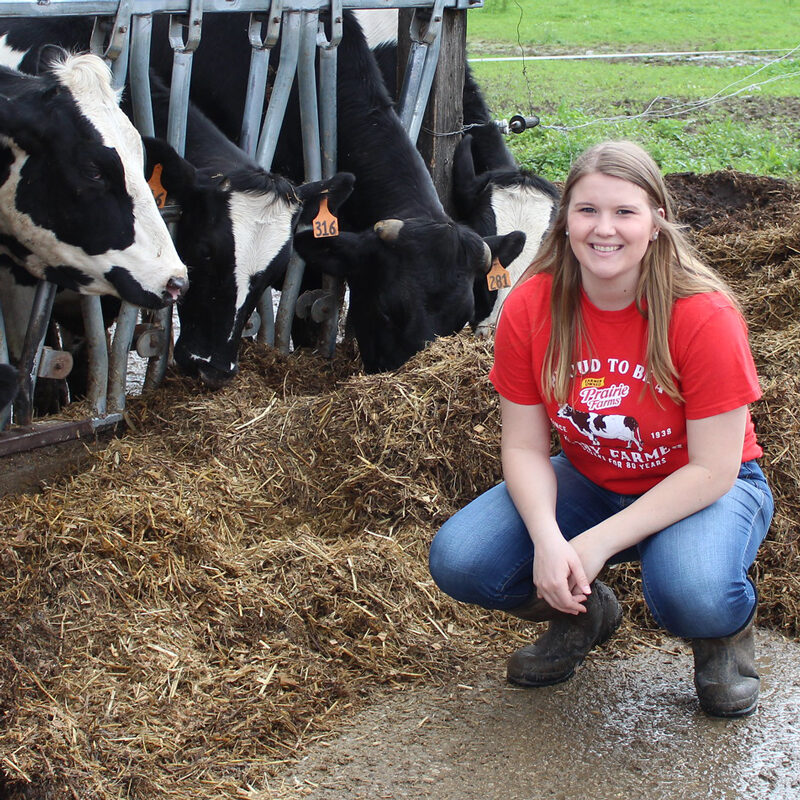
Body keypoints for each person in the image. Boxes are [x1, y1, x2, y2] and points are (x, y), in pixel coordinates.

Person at [428, 140, 773, 717]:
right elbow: (522, 445)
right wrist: (548, 541)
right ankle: (581, 615)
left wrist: (593, 543)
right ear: (564, 222)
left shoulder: (703, 313)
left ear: (657, 223)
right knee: (463, 560)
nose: (603, 229)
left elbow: (713, 467)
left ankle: (721, 639)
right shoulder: (532, 305)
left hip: (706, 486)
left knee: (689, 590)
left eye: (624, 212)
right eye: (587, 211)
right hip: (590, 478)